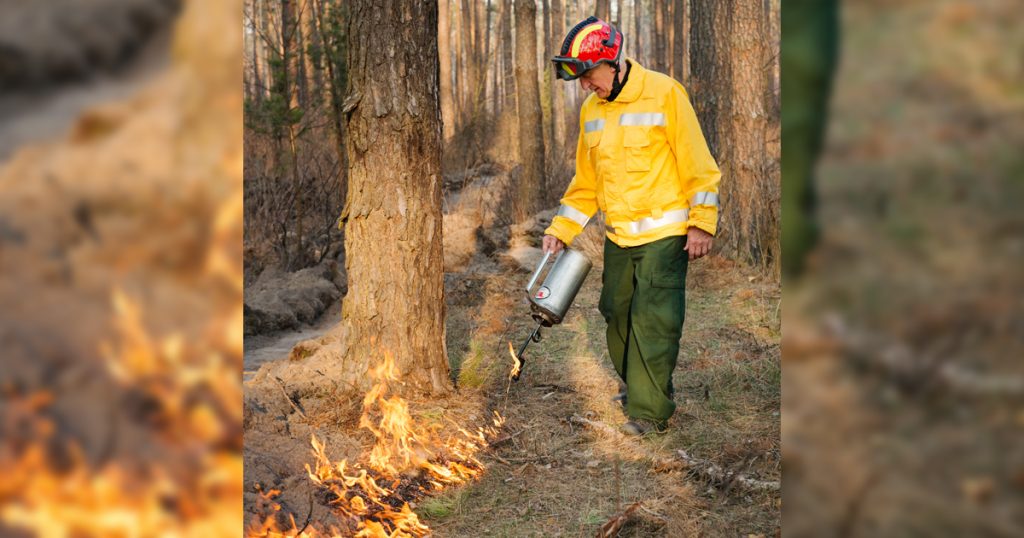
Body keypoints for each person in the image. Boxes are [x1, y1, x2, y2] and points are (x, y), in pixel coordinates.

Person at [544, 17, 721, 435]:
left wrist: (702, 223)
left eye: (588, 75)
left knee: (653, 320)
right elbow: (585, 183)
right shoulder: (591, 111)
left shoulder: (664, 93)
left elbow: (698, 164)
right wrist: (560, 229)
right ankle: (644, 384)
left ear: (611, 62)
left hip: (665, 235)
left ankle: (649, 412)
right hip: (619, 237)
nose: (584, 86)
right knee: (616, 311)